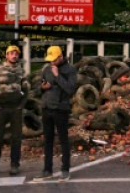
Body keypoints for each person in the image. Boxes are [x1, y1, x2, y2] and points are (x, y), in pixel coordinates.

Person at [33, 45, 76, 182]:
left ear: (61, 56)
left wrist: (58, 76)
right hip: (47, 108)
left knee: (63, 140)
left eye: (54, 59)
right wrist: (42, 87)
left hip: (61, 109)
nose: (51, 62)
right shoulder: (46, 69)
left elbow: (70, 89)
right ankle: (47, 170)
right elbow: (38, 87)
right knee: (48, 141)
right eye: (50, 59)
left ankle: (65, 169)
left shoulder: (70, 70)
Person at [0, 44, 29, 176]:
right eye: (11, 53)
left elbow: (26, 90)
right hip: (1, 108)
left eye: (16, 54)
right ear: (6, 55)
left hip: (16, 108)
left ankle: (15, 164)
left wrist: (21, 104)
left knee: (16, 137)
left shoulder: (21, 71)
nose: (14, 55)